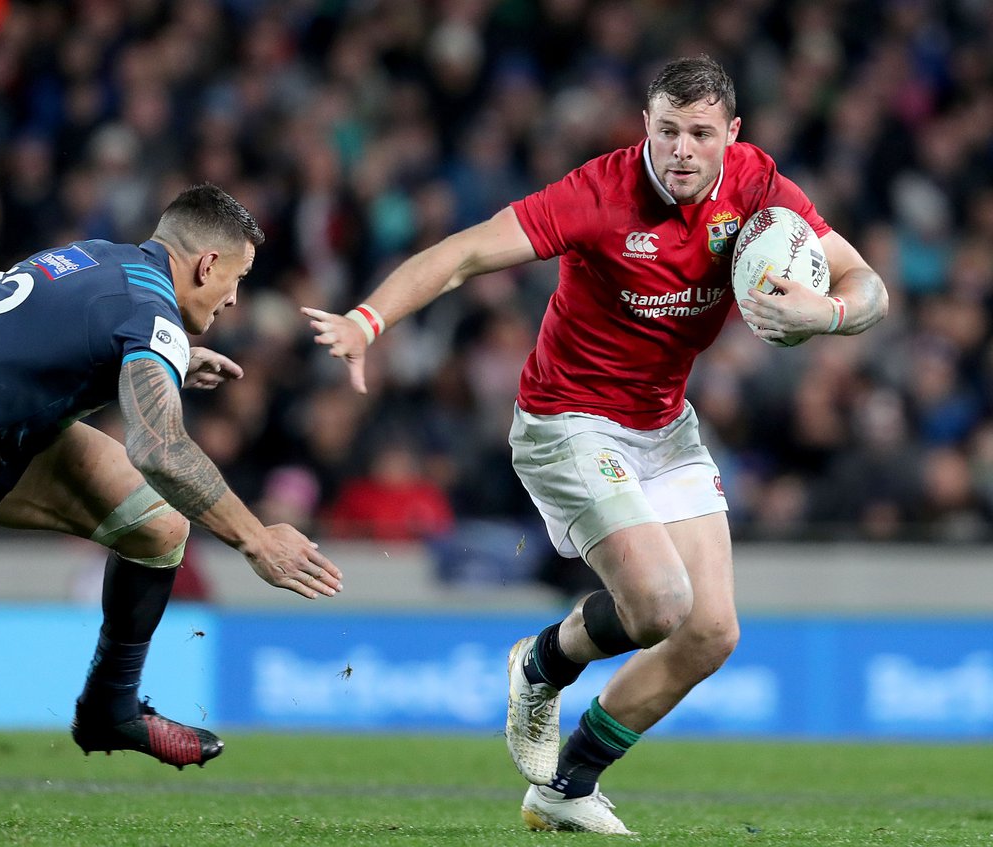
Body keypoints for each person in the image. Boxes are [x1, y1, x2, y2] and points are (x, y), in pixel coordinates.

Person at [304, 56, 887, 834]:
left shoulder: (757, 187)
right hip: (568, 419)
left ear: (732, 134)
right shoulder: (599, 193)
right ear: (646, 126)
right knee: (660, 604)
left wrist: (827, 314)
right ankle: (540, 664)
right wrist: (365, 320)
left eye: (701, 133)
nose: (682, 149)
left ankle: (566, 785)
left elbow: (868, 285)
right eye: (668, 130)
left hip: (664, 425)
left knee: (711, 632)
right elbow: (465, 253)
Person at [0, 183, 343, 770]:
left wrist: (169, 359)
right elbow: (159, 449)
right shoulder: (145, 311)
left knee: (157, 526)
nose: (234, 298)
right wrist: (256, 539)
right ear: (207, 265)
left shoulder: (102, 258)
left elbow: (51, 337)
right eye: (238, 277)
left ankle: (111, 707)